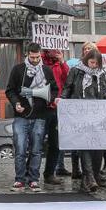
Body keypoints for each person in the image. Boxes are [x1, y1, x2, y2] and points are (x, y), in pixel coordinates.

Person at [5, 43, 58, 192]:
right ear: (27, 54)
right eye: (32, 57)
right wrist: (16, 103)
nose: (35, 60)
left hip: (40, 115)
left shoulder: (46, 71)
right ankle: (19, 179)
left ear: (40, 55)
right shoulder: (18, 69)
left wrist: (50, 99)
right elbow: (10, 90)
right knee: (20, 148)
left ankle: (34, 179)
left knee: (36, 149)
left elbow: (54, 89)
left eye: (37, 57)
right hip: (21, 116)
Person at [60, 48, 106, 193]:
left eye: (96, 63)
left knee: (98, 148)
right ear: (86, 60)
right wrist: (62, 101)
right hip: (80, 113)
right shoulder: (76, 71)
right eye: (92, 62)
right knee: (85, 146)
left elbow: (104, 93)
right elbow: (68, 88)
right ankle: (90, 177)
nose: (94, 65)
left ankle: (89, 179)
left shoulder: (101, 74)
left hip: (96, 115)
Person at [41, 48, 69, 186]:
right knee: (36, 141)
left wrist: (62, 62)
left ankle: (50, 173)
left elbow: (68, 79)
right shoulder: (40, 61)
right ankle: (30, 174)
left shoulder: (59, 64)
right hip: (41, 107)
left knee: (55, 142)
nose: (56, 50)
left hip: (57, 107)